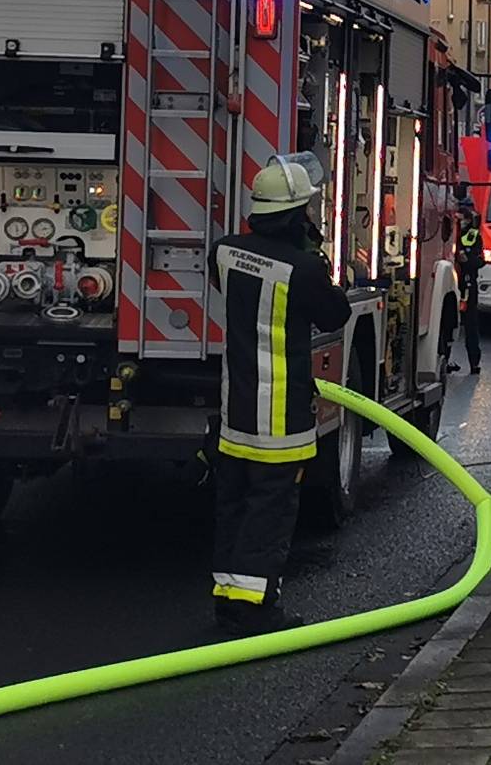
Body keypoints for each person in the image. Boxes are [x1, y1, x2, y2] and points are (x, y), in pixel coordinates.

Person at [210, 156, 351, 634]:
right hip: (280, 415)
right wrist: (319, 260)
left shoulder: (224, 251)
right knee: (270, 512)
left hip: (236, 410)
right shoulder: (304, 269)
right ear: (296, 215)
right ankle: (257, 608)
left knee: (234, 504)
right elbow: (335, 316)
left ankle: (228, 595)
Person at [452, 192, 486, 374]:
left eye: (461, 219)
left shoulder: (473, 236)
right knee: (449, 325)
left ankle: (474, 362)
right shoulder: (448, 232)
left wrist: (466, 260)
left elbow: (481, 261)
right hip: (452, 283)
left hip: (467, 285)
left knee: (471, 327)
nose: (459, 222)